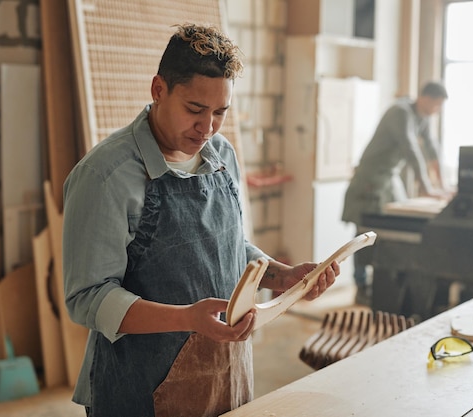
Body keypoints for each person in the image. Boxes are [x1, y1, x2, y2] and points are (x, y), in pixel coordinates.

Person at [62, 23, 338, 417]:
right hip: (139, 391)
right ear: (158, 89)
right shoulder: (106, 175)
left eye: (220, 113)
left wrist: (283, 276)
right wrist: (187, 318)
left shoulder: (222, 155)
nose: (207, 128)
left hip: (226, 375)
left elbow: (228, 248)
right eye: (194, 109)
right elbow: (87, 297)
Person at [342, 81, 449, 305]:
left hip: (389, 178)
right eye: (436, 105)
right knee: (363, 232)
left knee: (395, 227)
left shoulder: (423, 118)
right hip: (370, 179)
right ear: (425, 98)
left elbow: (431, 149)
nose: (436, 110)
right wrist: (427, 188)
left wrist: (442, 185)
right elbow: (410, 148)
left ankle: (387, 286)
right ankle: (361, 286)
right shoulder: (400, 112)